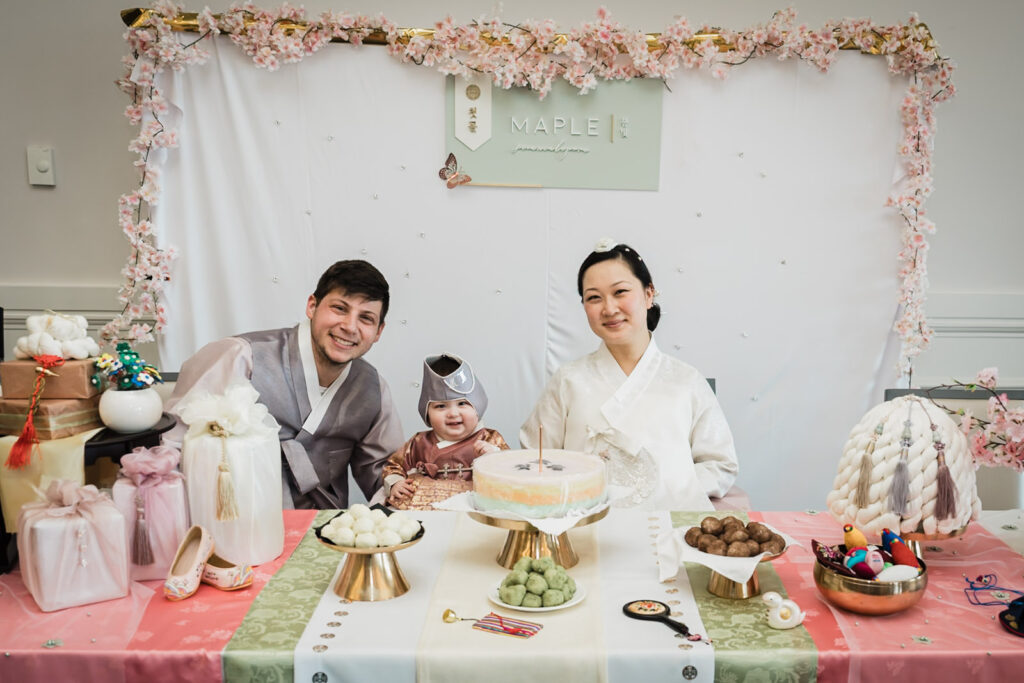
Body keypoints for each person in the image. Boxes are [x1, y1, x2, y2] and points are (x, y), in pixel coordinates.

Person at [164, 260, 404, 509]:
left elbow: (387, 471)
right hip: (235, 521)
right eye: (339, 308)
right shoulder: (241, 356)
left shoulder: (371, 388)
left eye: (365, 318)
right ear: (312, 306)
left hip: (324, 531)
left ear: (378, 331)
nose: (349, 326)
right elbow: (173, 450)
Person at [519, 239, 738, 510]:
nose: (609, 309)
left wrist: (661, 491)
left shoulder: (686, 381)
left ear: (649, 294)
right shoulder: (568, 380)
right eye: (594, 297)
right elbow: (535, 458)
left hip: (666, 530)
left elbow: (720, 464)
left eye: (620, 292)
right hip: (583, 529)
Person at [382, 353, 509, 509]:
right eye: (441, 406)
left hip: (474, 505)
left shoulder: (489, 438)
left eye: (462, 403)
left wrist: (494, 457)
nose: (453, 413)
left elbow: (511, 470)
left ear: (478, 406)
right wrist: (396, 483)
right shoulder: (418, 443)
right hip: (427, 505)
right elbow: (394, 466)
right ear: (427, 412)